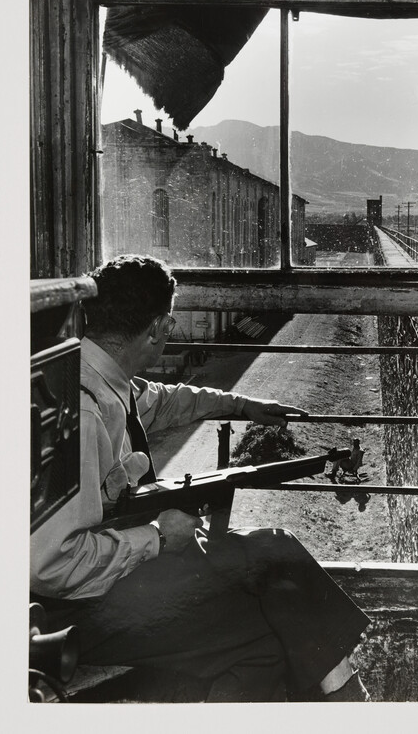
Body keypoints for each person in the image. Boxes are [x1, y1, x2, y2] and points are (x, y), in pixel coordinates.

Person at [30, 255, 371, 702]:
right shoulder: (86, 412)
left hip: (108, 582)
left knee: (275, 546)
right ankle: (349, 701)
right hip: (76, 611)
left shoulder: (95, 377)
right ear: (159, 328)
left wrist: (242, 405)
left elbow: (168, 401)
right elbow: (50, 566)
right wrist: (156, 537)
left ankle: (347, 697)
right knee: (265, 636)